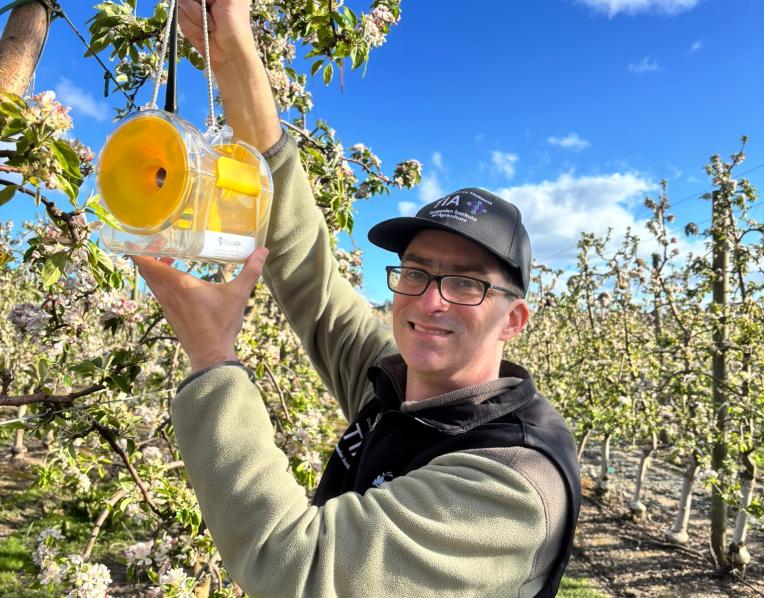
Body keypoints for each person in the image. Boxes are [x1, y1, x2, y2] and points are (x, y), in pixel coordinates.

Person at [133, 1, 581, 596]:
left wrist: (213, 358)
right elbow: (306, 268)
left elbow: (297, 568)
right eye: (416, 272)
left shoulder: (514, 479)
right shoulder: (397, 381)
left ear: (514, 319)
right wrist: (236, 53)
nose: (430, 302)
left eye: (467, 283)